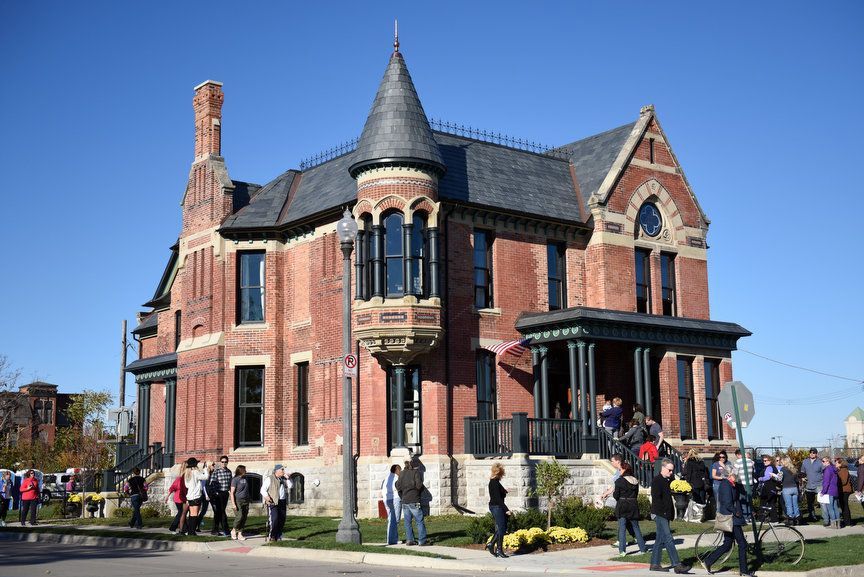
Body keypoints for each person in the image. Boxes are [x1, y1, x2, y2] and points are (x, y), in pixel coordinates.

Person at [703, 471, 754, 577]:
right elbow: (727, 502)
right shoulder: (726, 485)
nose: (737, 477)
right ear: (730, 475)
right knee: (742, 544)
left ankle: (708, 561)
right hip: (731, 518)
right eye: (735, 475)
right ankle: (744, 571)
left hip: (732, 517)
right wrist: (736, 512)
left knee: (727, 544)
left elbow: (741, 494)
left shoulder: (731, 484)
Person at [650, 459, 690, 574]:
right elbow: (656, 499)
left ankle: (655, 564)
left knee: (659, 539)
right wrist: (664, 513)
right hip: (660, 513)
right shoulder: (657, 480)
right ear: (663, 468)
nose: (671, 472)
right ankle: (677, 565)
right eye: (669, 470)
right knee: (668, 538)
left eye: (672, 470)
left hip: (666, 513)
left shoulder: (669, 480)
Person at [613, 462, 647, 557]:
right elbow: (636, 494)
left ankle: (622, 551)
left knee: (622, 528)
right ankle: (643, 549)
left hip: (622, 504)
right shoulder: (635, 481)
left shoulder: (619, 481)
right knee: (636, 527)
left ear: (625, 470)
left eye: (620, 469)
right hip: (633, 504)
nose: (619, 471)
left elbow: (616, 495)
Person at [395, 459, 429, 546]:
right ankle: (422, 541)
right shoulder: (415, 472)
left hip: (405, 501)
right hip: (414, 500)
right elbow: (419, 485)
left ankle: (410, 540)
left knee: (407, 522)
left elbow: (398, 486)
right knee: (419, 520)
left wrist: (402, 496)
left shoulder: (402, 473)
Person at [261, 464, 292, 542]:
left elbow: (290, 486)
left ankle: (278, 535)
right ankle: (272, 536)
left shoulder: (284, 479)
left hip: (282, 501)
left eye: (283, 469)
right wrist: (267, 497)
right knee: (274, 519)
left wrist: (288, 478)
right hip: (273, 502)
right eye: (282, 469)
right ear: (277, 470)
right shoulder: (270, 478)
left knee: (282, 519)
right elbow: (262, 490)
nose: (283, 471)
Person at [487, 463, 511, 558]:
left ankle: (493, 546)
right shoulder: (494, 483)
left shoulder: (495, 482)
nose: (502, 475)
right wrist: (506, 510)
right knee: (502, 528)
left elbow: (498, 495)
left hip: (497, 506)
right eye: (502, 473)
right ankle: (497, 548)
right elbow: (497, 499)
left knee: (502, 528)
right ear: (499, 473)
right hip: (496, 507)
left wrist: (504, 491)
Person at [183, 458, 209, 536]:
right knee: (194, 514)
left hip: (190, 496)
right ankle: (192, 532)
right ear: (195, 465)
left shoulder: (187, 473)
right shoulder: (195, 472)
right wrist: (205, 469)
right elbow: (206, 477)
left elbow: (187, 485)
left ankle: (190, 531)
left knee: (191, 514)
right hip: (196, 496)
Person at [210, 455, 232, 536]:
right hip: (218, 494)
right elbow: (212, 483)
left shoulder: (229, 472)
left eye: (225, 462)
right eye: (222, 462)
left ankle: (215, 530)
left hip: (225, 494)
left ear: (227, 462)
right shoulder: (217, 471)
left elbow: (230, 483)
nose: (224, 463)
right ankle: (226, 530)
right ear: (220, 462)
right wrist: (216, 492)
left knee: (219, 512)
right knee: (221, 512)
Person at [800, 448, 823, 522]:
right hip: (808, 485)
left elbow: (824, 472)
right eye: (810, 452)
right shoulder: (805, 461)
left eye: (813, 452)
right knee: (810, 503)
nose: (812, 454)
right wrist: (803, 477)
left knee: (822, 502)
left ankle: (826, 517)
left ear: (816, 454)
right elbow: (802, 472)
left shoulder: (820, 462)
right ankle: (812, 516)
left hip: (819, 485)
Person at [381, 464, 402, 546]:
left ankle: (390, 539)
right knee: (396, 520)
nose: (400, 471)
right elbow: (397, 488)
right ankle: (392, 540)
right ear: (396, 470)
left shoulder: (386, 478)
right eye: (400, 470)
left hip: (386, 500)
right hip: (395, 499)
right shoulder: (396, 478)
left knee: (391, 519)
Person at [732, 449, 756, 520]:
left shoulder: (737, 462)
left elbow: (735, 473)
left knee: (743, 500)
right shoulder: (751, 461)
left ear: (738, 455)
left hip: (741, 483)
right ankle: (751, 516)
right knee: (749, 500)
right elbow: (754, 471)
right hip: (750, 483)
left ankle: (745, 517)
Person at [167, 462, 189, 534]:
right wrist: (167, 496)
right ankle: (173, 528)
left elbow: (172, 488)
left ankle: (184, 529)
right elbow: (172, 488)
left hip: (181, 497)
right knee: (181, 513)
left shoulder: (180, 478)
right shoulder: (180, 479)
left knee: (183, 513)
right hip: (180, 498)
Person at [819, 456, 840, 529]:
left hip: (829, 491)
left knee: (830, 508)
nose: (822, 463)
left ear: (828, 461)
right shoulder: (833, 468)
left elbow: (826, 482)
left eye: (823, 461)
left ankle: (833, 524)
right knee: (835, 507)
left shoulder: (827, 470)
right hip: (835, 491)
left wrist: (823, 492)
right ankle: (838, 524)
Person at [759, 456, 782, 522]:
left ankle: (762, 518)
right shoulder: (773, 467)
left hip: (768, 488)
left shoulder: (769, 467)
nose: (764, 462)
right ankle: (774, 519)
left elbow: (767, 477)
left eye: (765, 460)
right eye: (763, 461)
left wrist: (760, 478)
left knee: (764, 503)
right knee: (772, 503)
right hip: (772, 488)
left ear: (770, 461)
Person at [230, 465, 250, 541]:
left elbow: (246, 490)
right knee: (239, 516)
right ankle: (233, 530)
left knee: (244, 518)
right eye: (244, 470)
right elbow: (232, 493)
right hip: (238, 501)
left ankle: (240, 534)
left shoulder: (245, 478)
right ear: (241, 470)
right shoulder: (235, 480)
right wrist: (233, 504)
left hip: (246, 501)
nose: (246, 471)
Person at [779, 457, 800, 526]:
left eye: (782, 462)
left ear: (784, 462)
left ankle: (791, 520)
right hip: (794, 488)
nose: (781, 463)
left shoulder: (782, 469)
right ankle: (797, 519)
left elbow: (779, 479)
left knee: (788, 505)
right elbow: (797, 480)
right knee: (795, 504)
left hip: (787, 488)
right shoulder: (794, 469)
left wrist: (773, 476)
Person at [835, 457, 854, 527]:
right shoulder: (840, 469)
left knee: (845, 506)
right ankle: (846, 521)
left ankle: (848, 522)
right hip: (842, 490)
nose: (835, 464)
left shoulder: (843, 470)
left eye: (836, 463)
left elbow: (843, 481)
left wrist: (835, 483)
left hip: (845, 490)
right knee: (843, 505)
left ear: (840, 463)